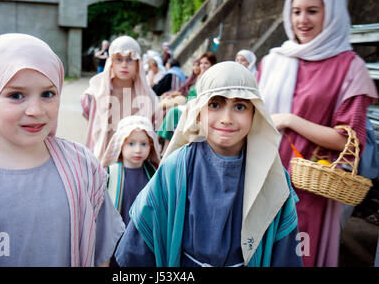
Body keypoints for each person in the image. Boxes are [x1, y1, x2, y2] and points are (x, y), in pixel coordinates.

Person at [0, 33, 125, 267]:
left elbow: (100, 254)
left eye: (48, 94)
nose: (35, 110)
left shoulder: (82, 165)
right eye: (16, 95)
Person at [114, 61, 302, 267]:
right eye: (215, 104)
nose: (226, 119)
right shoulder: (175, 168)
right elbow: (139, 246)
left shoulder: (272, 177)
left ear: (254, 114)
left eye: (240, 106)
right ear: (198, 112)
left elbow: (285, 252)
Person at [256, 0, 378, 267]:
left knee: (299, 257)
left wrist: (290, 120)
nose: (302, 20)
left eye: (313, 11)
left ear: (332, 12)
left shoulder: (350, 68)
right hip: (262, 179)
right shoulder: (273, 61)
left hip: (309, 188)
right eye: (296, 11)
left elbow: (349, 141)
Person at [81, 35, 159, 161]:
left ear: (138, 63)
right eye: (119, 59)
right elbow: (88, 115)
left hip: (134, 162)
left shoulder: (148, 97)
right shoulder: (94, 93)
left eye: (129, 60)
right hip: (101, 160)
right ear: (111, 62)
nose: (124, 65)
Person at [101, 115, 161, 226]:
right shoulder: (109, 174)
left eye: (143, 144)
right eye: (131, 143)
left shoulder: (154, 173)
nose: (138, 150)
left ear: (151, 146)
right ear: (121, 145)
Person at [157, 52, 217, 155]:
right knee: (170, 111)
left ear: (212, 65)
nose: (202, 66)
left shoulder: (212, 78)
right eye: (201, 63)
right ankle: (164, 145)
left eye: (206, 63)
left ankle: (163, 144)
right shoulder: (198, 77)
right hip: (189, 104)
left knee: (173, 112)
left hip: (199, 107)